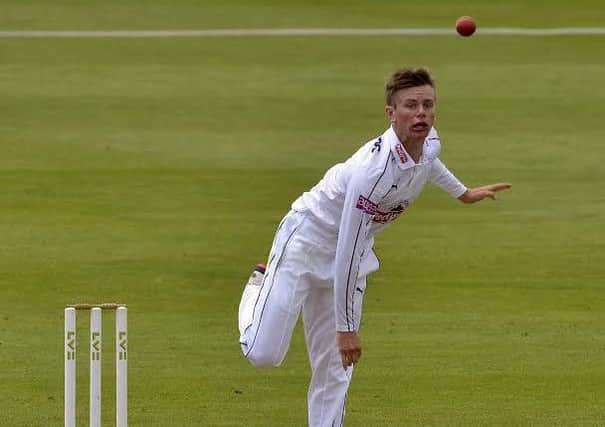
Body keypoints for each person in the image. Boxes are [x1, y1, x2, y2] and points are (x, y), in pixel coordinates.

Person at [237, 68, 511, 426]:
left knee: (335, 367)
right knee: (264, 354)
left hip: (352, 252)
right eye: (411, 106)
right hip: (307, 243)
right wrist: (347, 329)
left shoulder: (428, 141)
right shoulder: (374, 173)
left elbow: (429, 163)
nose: (421, 113)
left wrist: (463, 193)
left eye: (428, 105)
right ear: (390, 113)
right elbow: (346, 250)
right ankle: (258, 285)